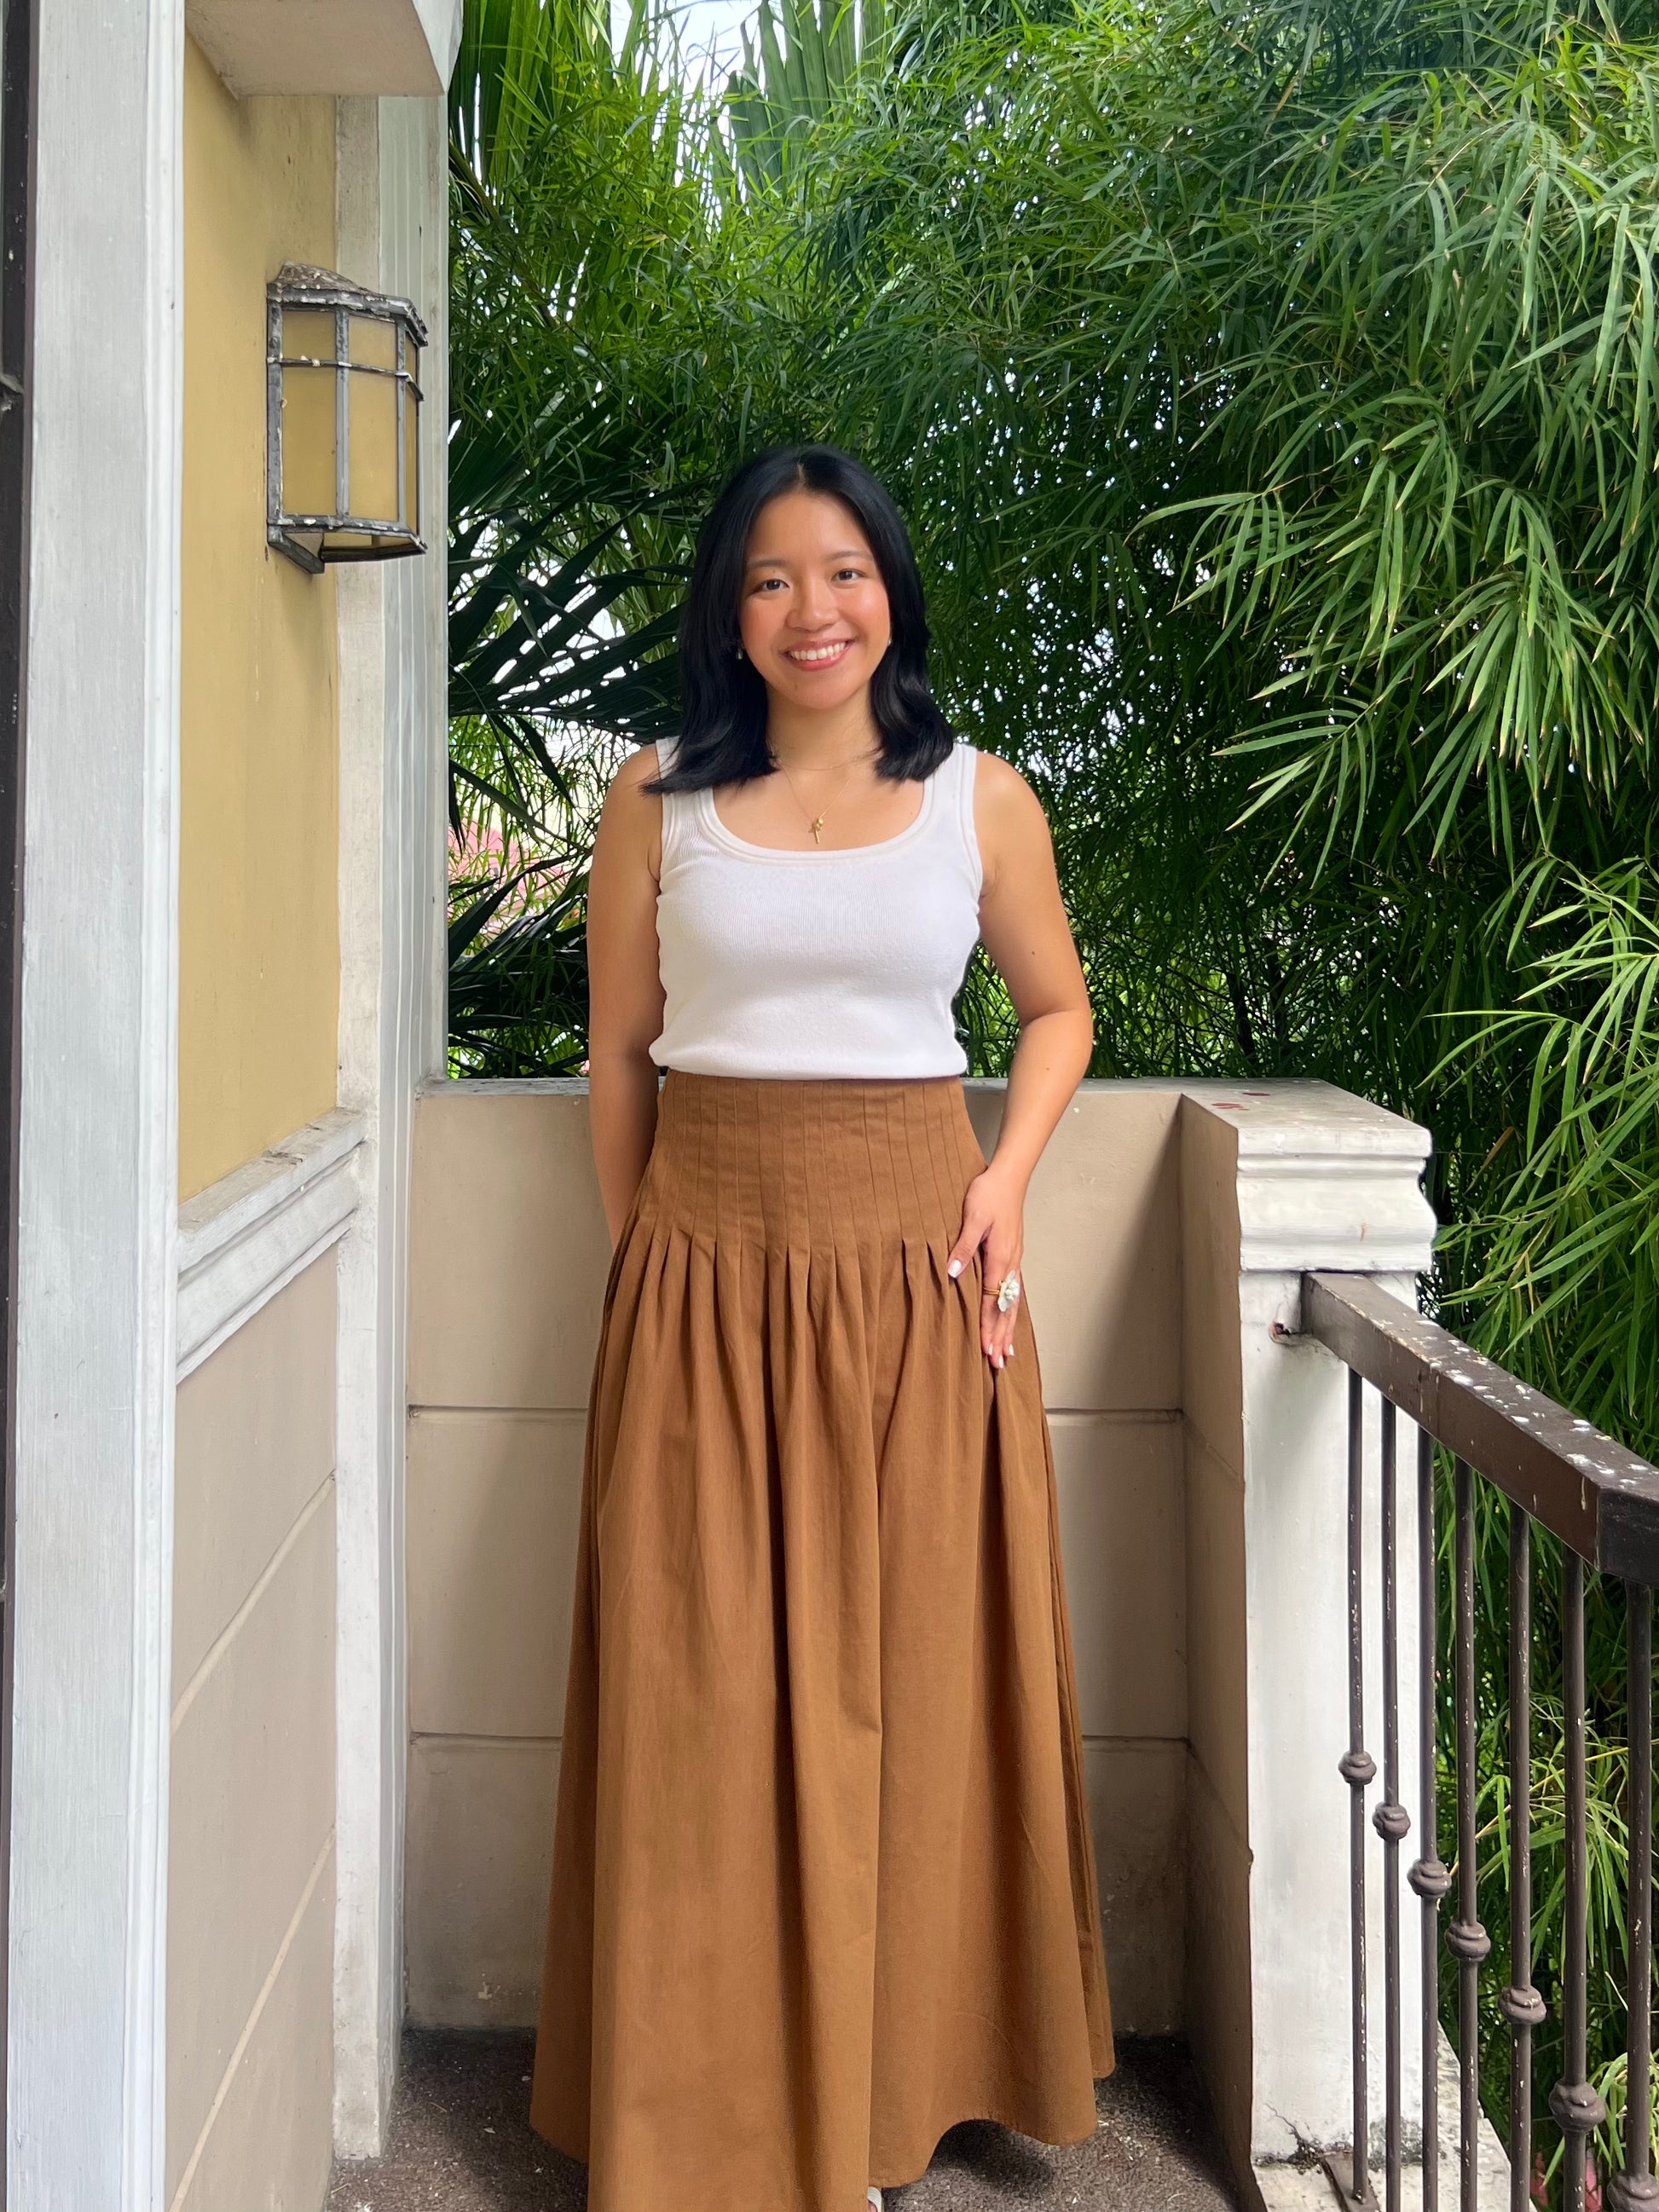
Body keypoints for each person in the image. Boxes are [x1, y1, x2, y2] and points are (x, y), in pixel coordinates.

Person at [529, 444, 1113, 2212]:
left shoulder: (978, 799)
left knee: (914, 1691)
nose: (811, 609)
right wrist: (649, 1257)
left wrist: (1005, 1179)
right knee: (697, 1695)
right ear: (729, 609)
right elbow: (616, 1054)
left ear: (890, 595)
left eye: (843, 571)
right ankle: (703, 2109)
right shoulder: (654, 798)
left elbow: (1058, 1010)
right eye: (772, 576)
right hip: (704, 1280)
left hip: (919, 1281)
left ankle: (893, 2094)